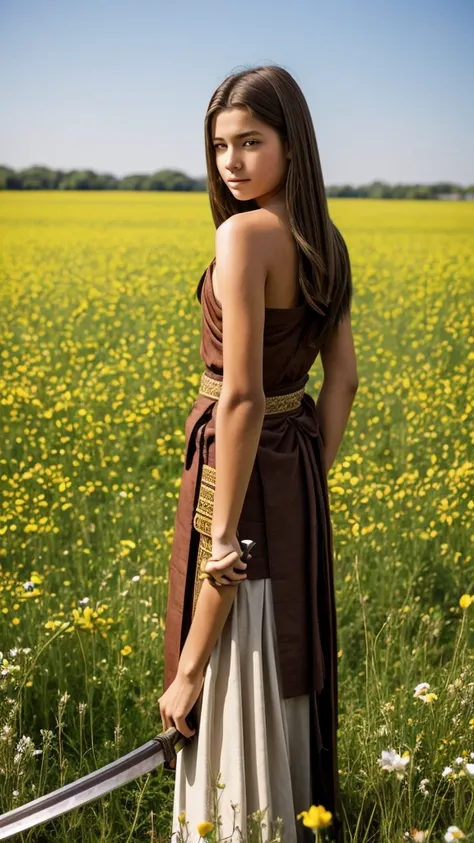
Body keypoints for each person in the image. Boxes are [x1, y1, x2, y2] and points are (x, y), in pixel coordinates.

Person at [158, 64, 357, 843]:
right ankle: (288, 809)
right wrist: (305, 474)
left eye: (251, 141)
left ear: (290, 145)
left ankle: (234, 821)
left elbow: (239, 395)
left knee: (228, 586)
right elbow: (340, 384)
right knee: (285, 628)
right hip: (292, 463)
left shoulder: (242, 234)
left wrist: (219, 527)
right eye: (219, 146)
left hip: (231, 450)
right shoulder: (325, 240)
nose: (231, 162)